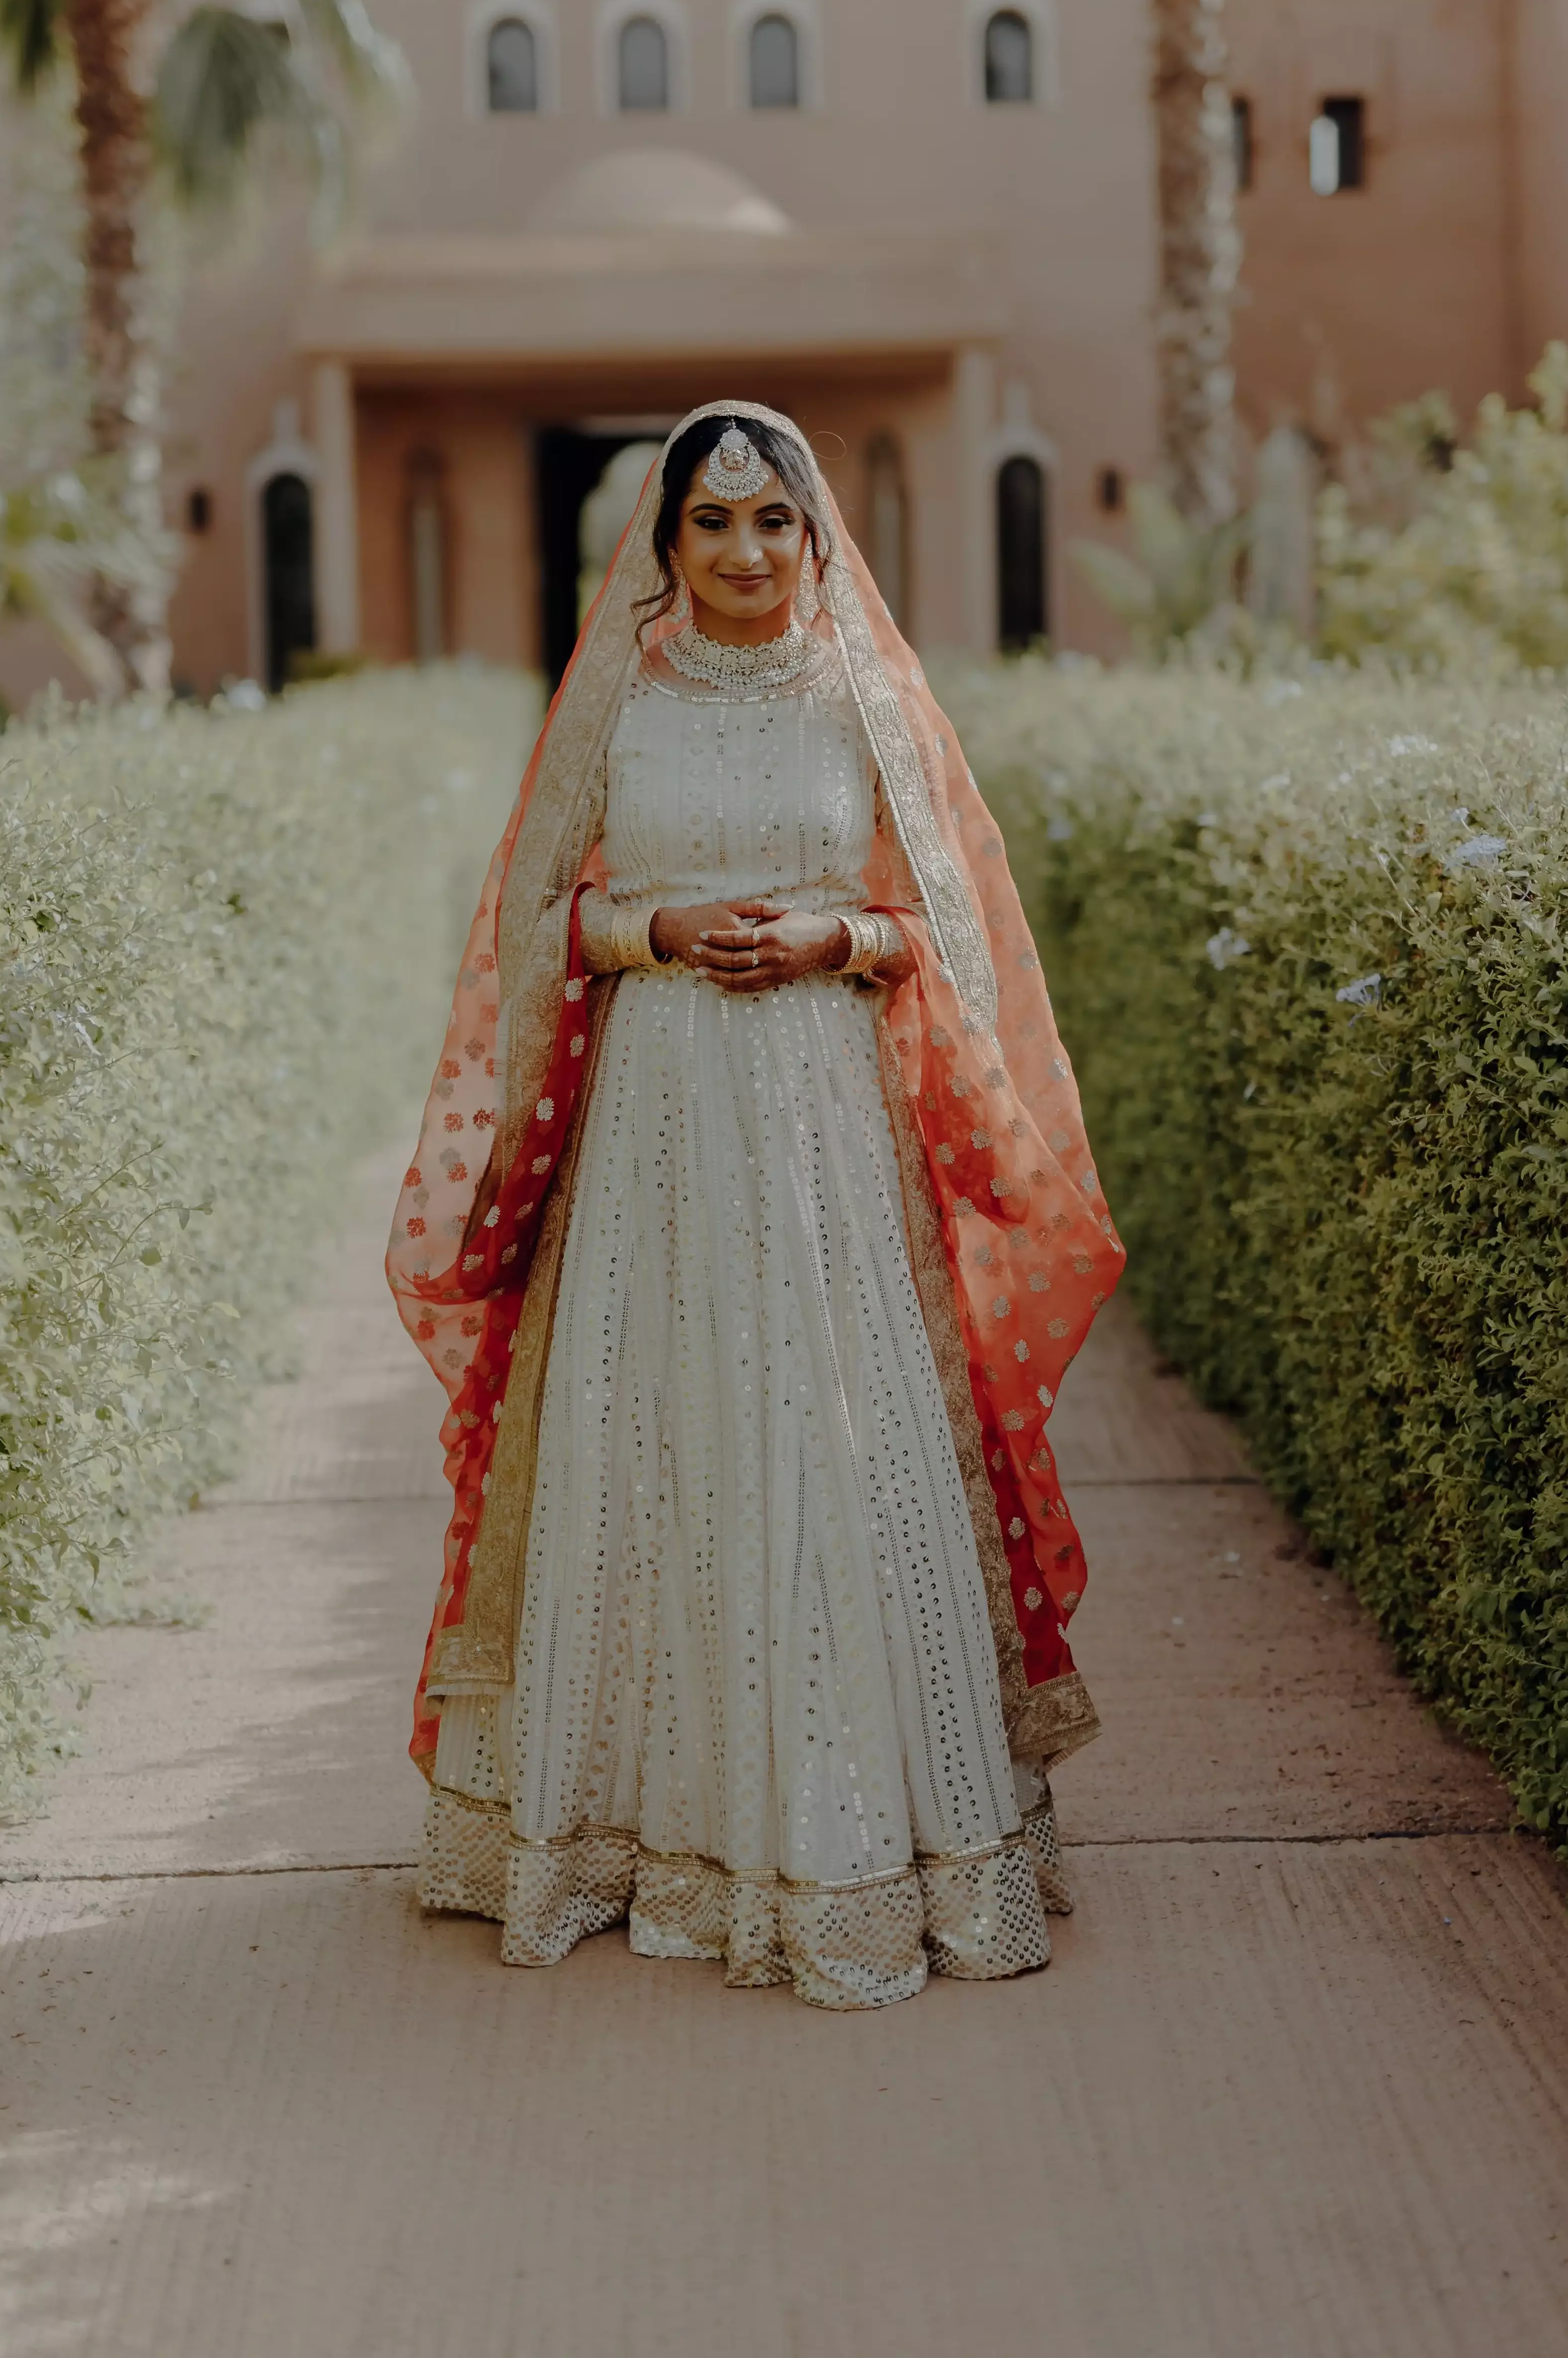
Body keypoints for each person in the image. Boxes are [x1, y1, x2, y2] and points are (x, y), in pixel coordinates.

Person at [387, 401, 1123, 2010]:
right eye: (709, 525)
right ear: (665, 547)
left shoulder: (865, 697)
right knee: (650, 1433)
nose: (740, 551)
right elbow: (534, 927)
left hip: (824, 1131)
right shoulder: (616, 706)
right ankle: (626, 1836)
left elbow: (952, 938)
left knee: (832, 1434)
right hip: (655, 1124)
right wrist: (656, 934)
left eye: (769, 522)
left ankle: (875, 1834)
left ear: (811, 533)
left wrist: (830, 943)